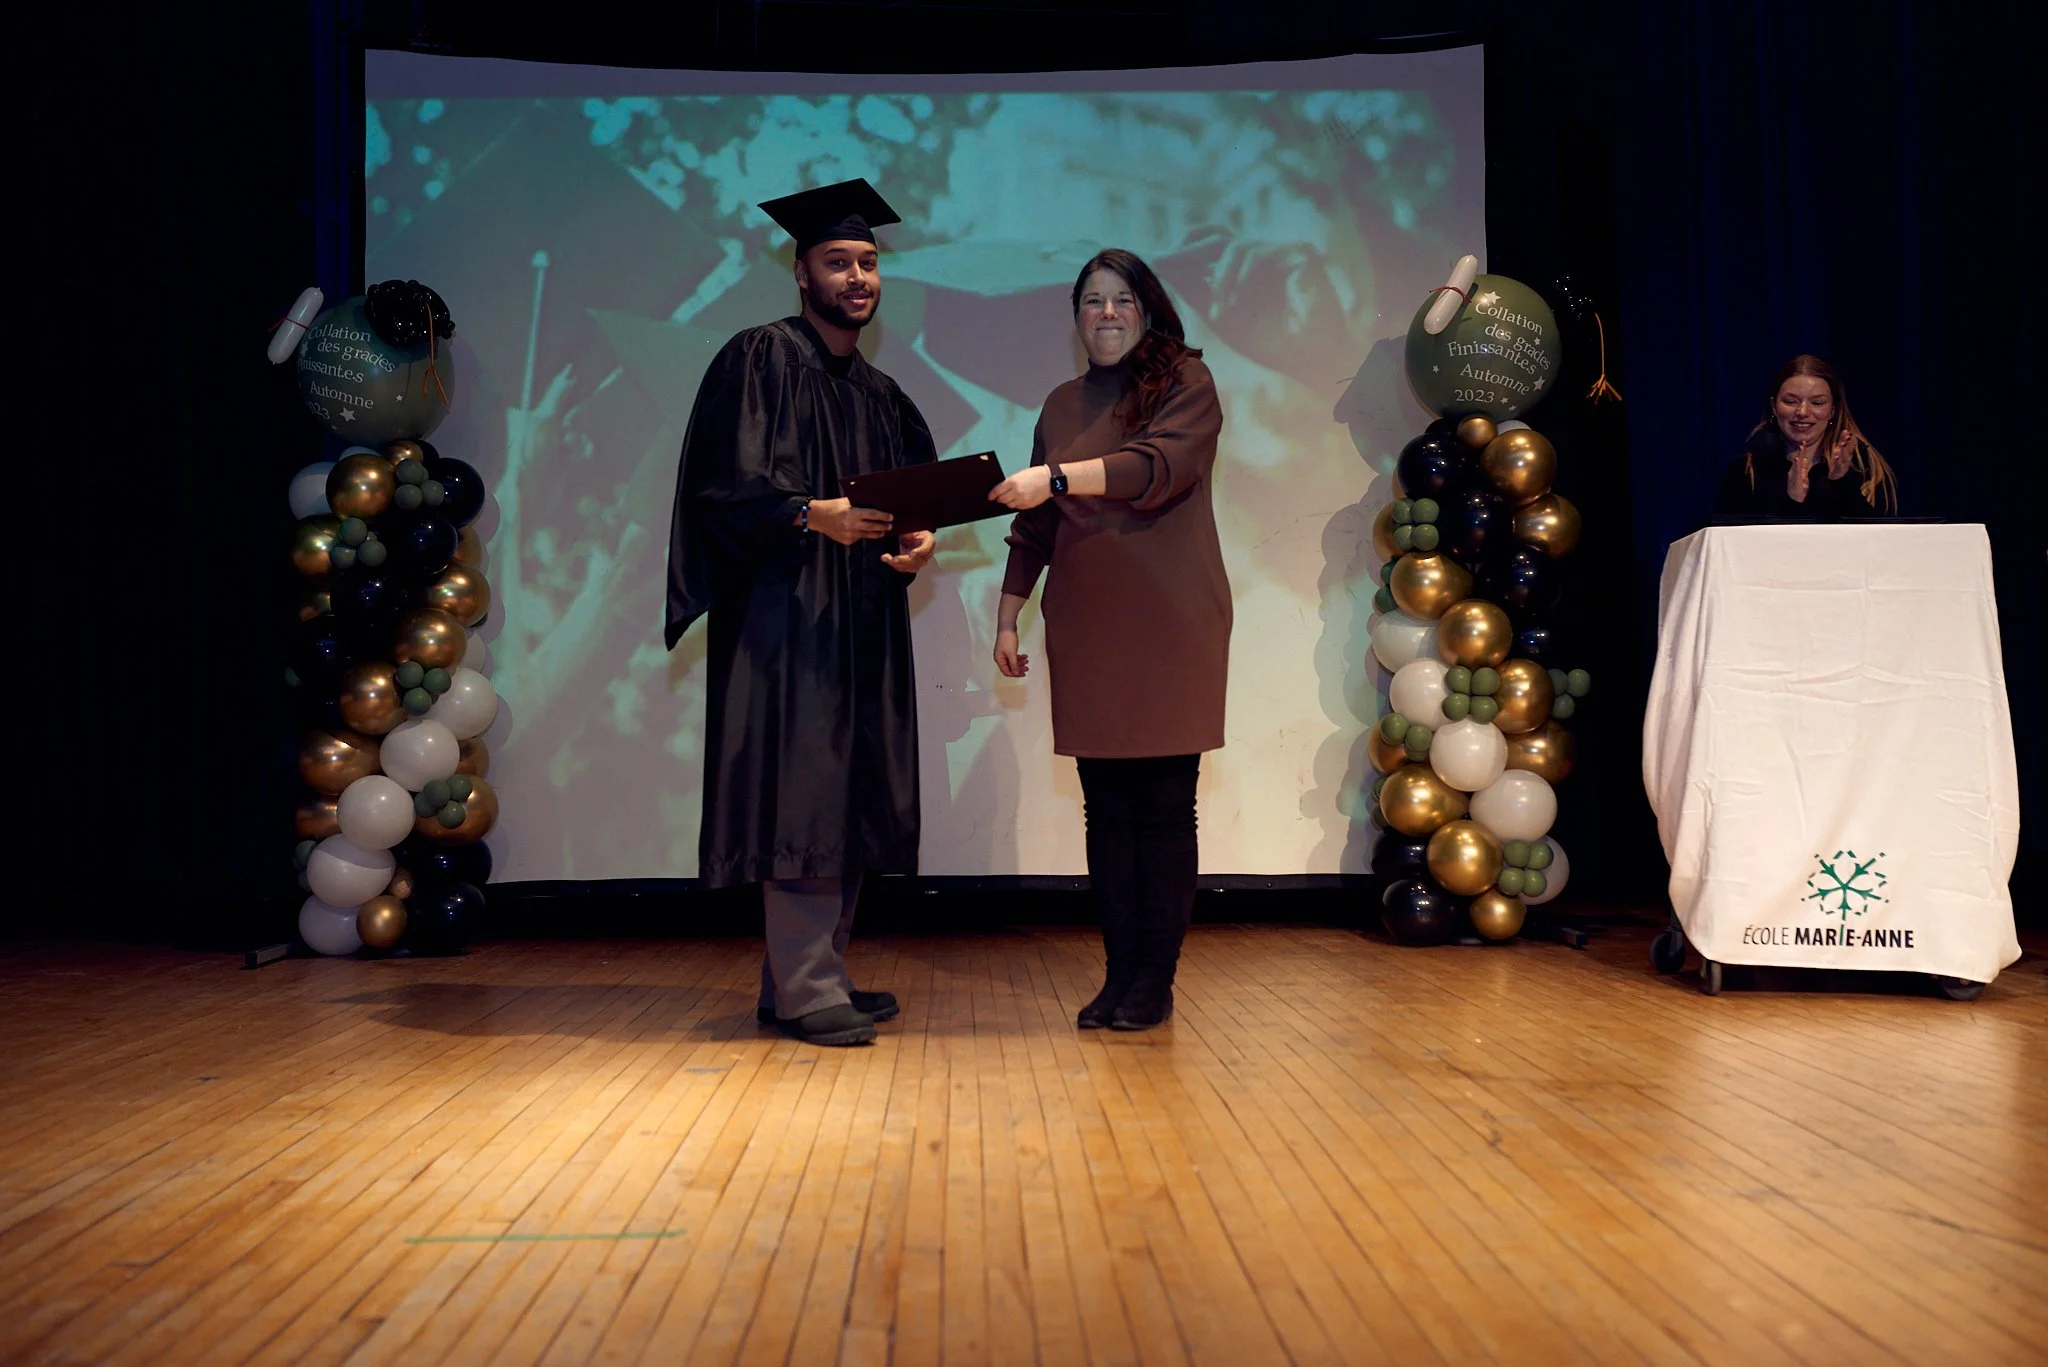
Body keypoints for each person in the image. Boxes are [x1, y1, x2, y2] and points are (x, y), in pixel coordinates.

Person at [664, 178, 938, 1047]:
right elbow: (720, 488)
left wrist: (918, 541)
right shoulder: (760, 359)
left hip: (859, 618)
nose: (857, 277)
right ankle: (808, 981)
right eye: (837, 262)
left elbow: (917, 493)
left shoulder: (881, 393)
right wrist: (806, 512)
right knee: (803, 792)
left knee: (853, 788)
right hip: (788, 621)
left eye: (867, 263)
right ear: (801, 272)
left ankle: (802, 979)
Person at [989, 249, 1231, 1031]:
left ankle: (1154, 982)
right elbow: (1034, 525)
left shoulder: (1186, 383)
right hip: (1088, 626)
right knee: (1105, 812)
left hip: (1170, 625)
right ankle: (1118, 973)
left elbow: (1156, 466)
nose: (1106, 313)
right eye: (1091, 301)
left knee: (1162, 807)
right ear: (1076, 317)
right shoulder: (1060, 405)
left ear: (1147, 308)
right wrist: (1008, 611)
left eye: (1121, 298)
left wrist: (1057, 478)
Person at [1715, 354, 1898, 520]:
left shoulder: (1864, 466)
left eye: (1817, 403)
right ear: (1774, 406)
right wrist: (1791, 500)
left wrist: (1841, 482)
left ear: (1832, 409)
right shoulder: (1746, 471)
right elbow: (1732, 545)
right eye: (1791, 401)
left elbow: (1877, 541)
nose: (1802, 412)